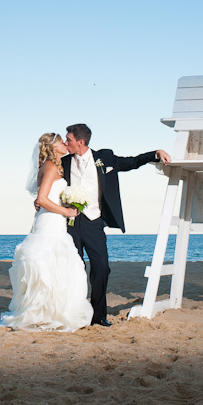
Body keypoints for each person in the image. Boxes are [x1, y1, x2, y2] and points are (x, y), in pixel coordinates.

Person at [62, 123, 170, 327]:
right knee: (72, 269)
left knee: (102, 268)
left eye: (69, 140)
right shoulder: (64, 162)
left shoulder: (105, 158)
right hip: (71, 223)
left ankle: (98, 315)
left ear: (81, 142)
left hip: (94, 222)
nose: (65, 143)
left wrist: (155, 154)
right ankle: (74, 313)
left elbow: (132, 162)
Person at [0, 132, 94, 332]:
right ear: (54, 148)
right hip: (50, 222)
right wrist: (66, 211)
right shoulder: (49, 166)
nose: (65, 144)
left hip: (53, 221)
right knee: (49, 264)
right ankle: (44, 313)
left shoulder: (54, 166)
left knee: (57, 266)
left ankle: (50, 311)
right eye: (61, 142)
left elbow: (46, 198)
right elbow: (43, 199)